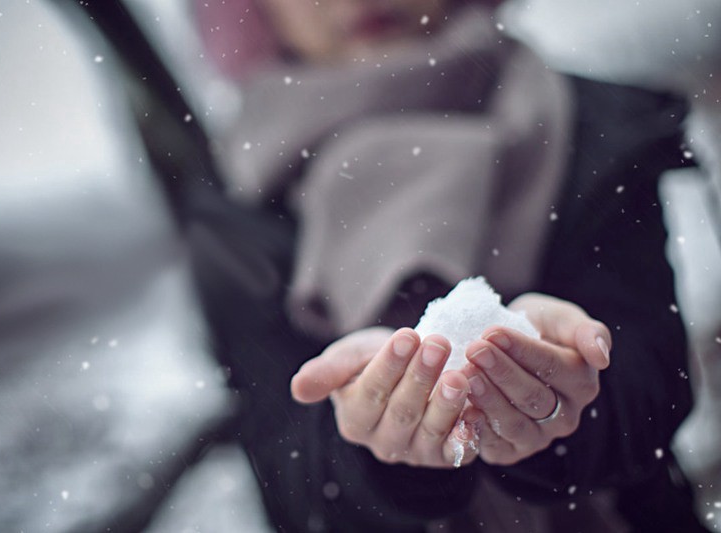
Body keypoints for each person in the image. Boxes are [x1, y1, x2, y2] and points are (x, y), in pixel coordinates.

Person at [189, 0, 705, 531]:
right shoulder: (238, 201)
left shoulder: (585, 119)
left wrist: (573, 398)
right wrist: (373, 453)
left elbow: (656, 387)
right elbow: (290, 479)